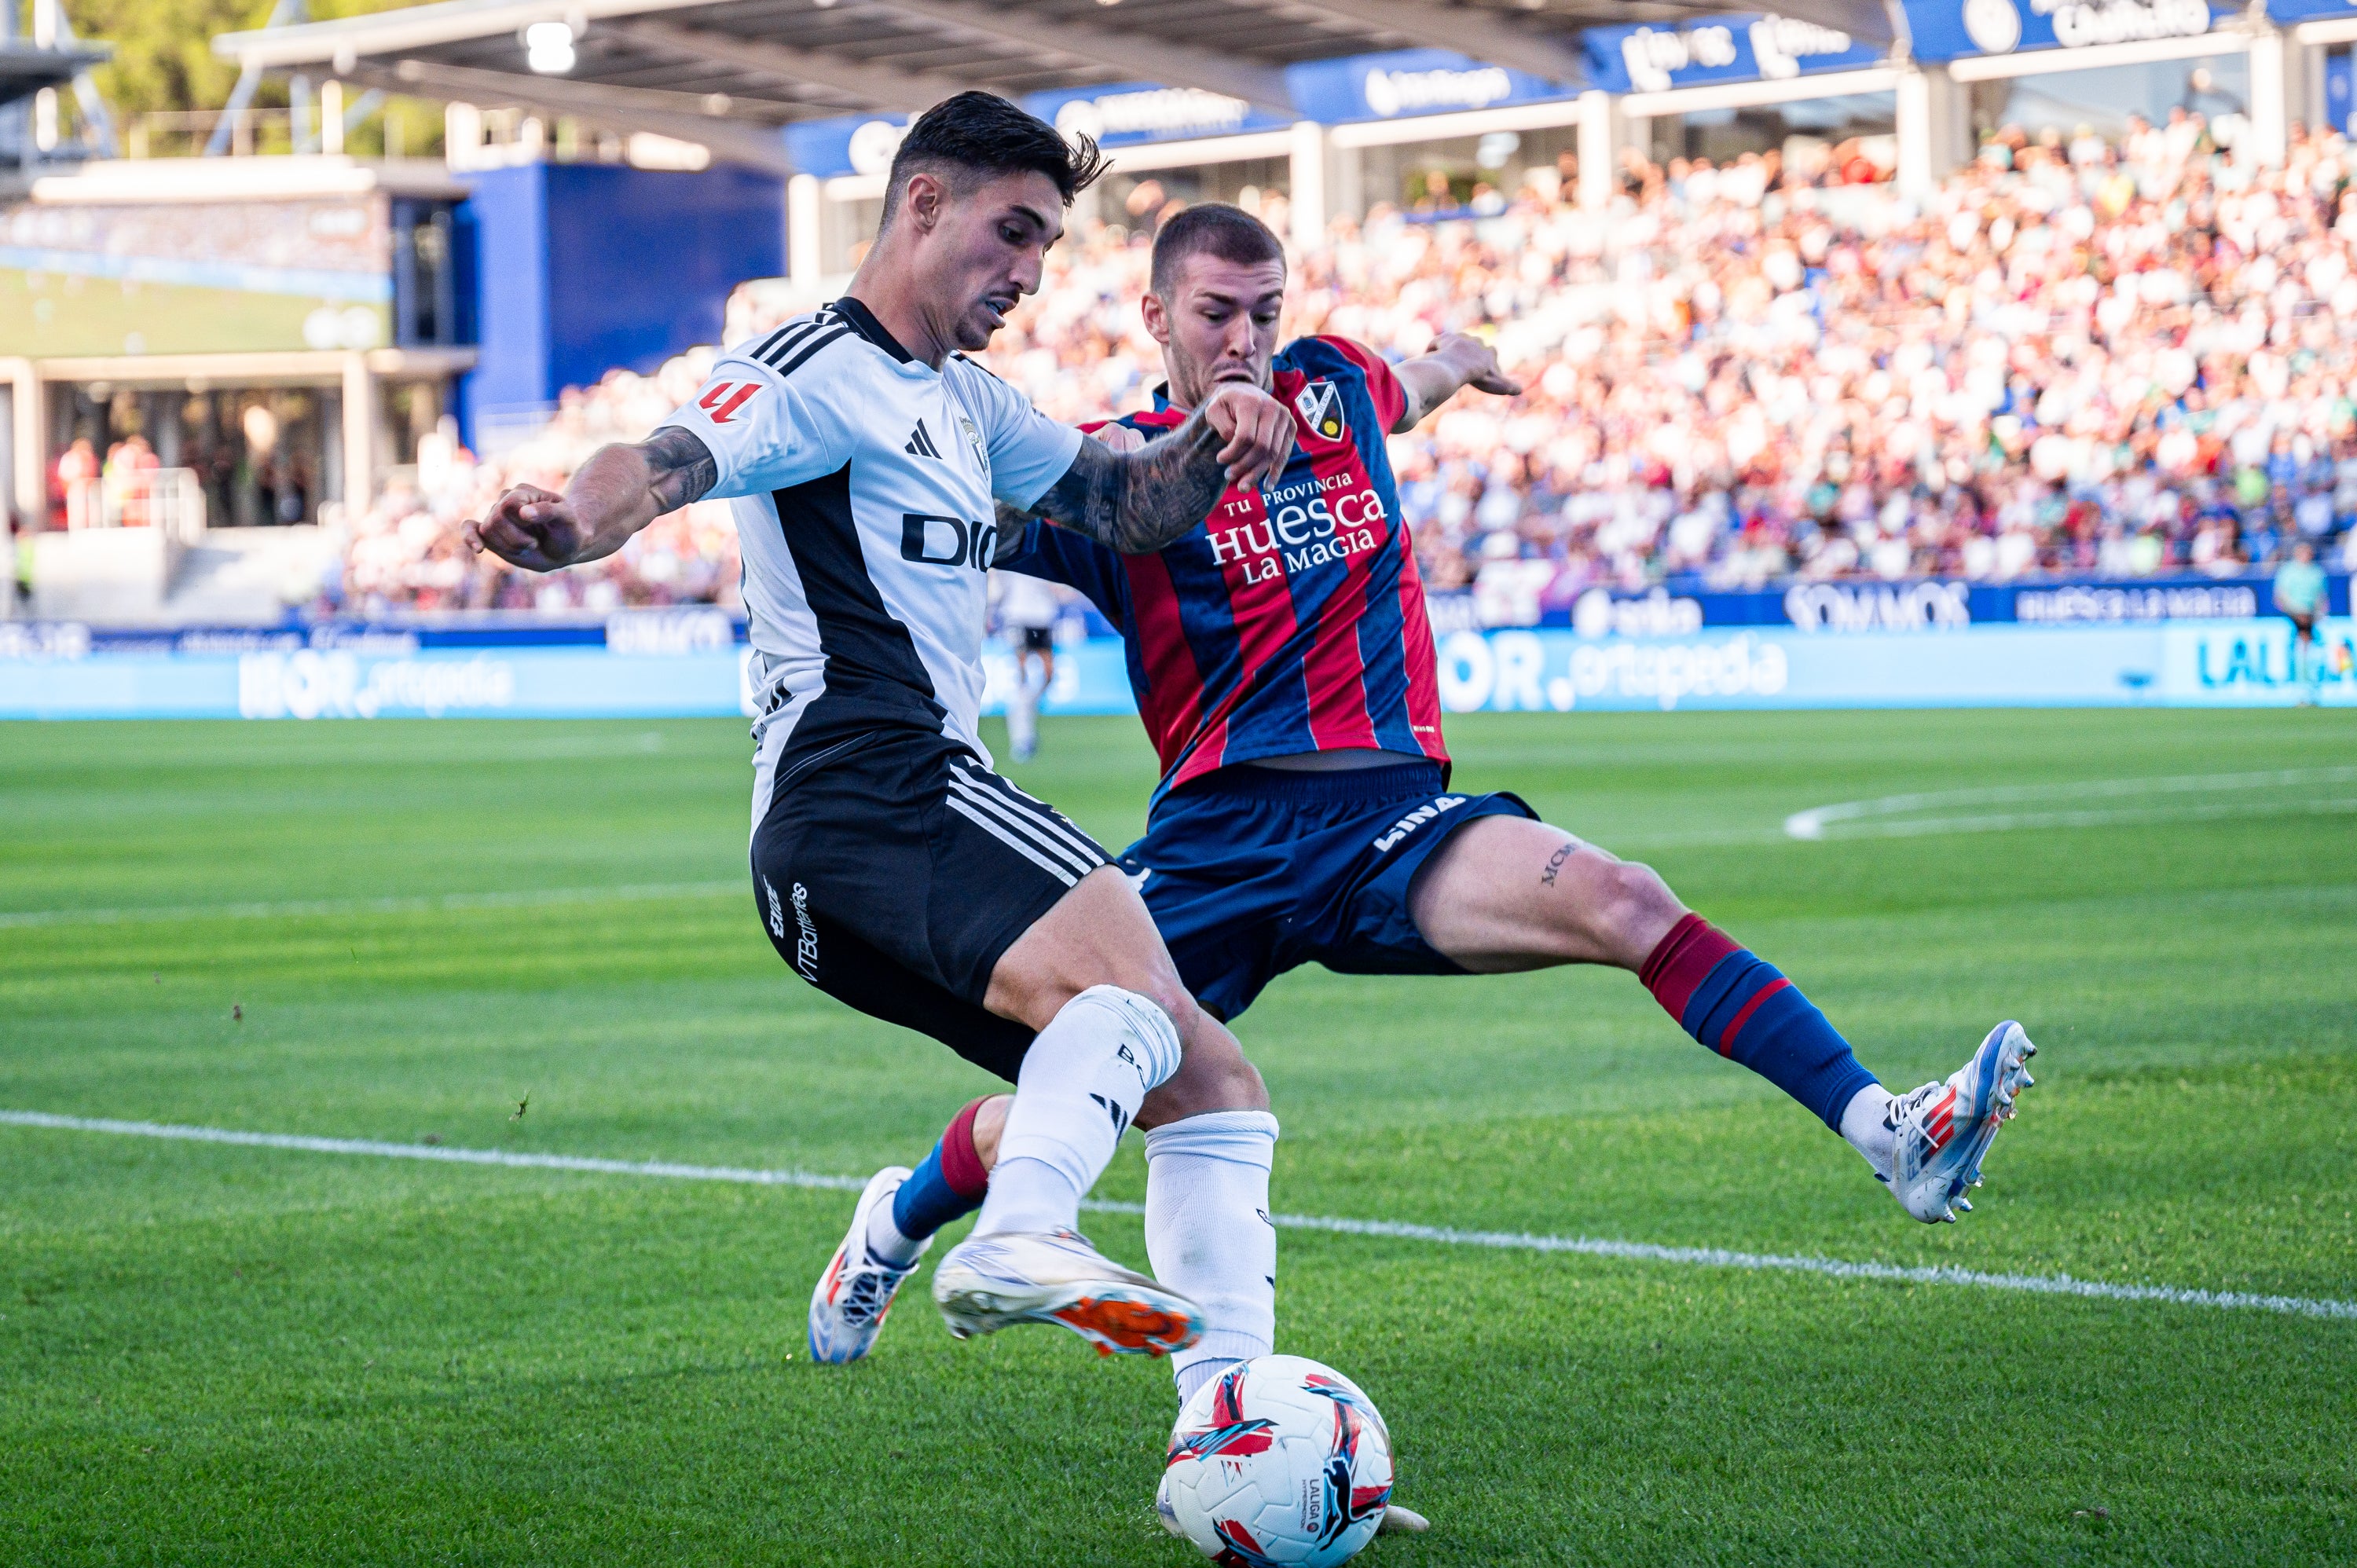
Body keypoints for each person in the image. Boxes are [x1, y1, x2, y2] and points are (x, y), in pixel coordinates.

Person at [815, 204, 2040, 1414]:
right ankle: (894, 1223)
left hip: (1394, 823)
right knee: (1074, 1083)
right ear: (1157, 319)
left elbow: (1413, 380)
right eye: (1216, 314)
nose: (1246, 337)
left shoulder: (1335, 394)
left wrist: (1460, 359)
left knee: (1625, 897)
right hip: (1213, 848)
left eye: (1265, 312)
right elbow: (951, 506)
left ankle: (1892, 1132)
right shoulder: (1119, 475)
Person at [464, 97, 1299, 1367]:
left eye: (1045, 247)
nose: (1028, 272)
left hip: (856, 848)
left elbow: (1129, 507)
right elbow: (662, 459)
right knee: (1138, 994)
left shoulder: (966, 403)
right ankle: (1019, 1233)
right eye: (1012, 231)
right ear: (923, 203)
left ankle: (1231, 1421)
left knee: (1201, 1079)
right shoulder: (813, 368)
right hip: (872, 784)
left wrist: (1218, 433)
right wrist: (577, 527)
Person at [994, 566, 1061, 762]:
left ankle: (1027, 713)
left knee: (1049, 675)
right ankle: (1021, 738)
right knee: (1022, 676)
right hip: (1019, 614)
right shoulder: (1009, 555)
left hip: (1044, 616)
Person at [2273, 538, 2330, 704]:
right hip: (2294, 618)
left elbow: (2322, 598)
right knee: (2297, 652)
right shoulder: (2288, 571)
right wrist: (2298, 612)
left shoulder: (2317, 572)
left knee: (2314, 653)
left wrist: (2316, 614)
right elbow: (2280, 597)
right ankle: (2298, 690)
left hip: (2312, 618)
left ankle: (2312, 690)